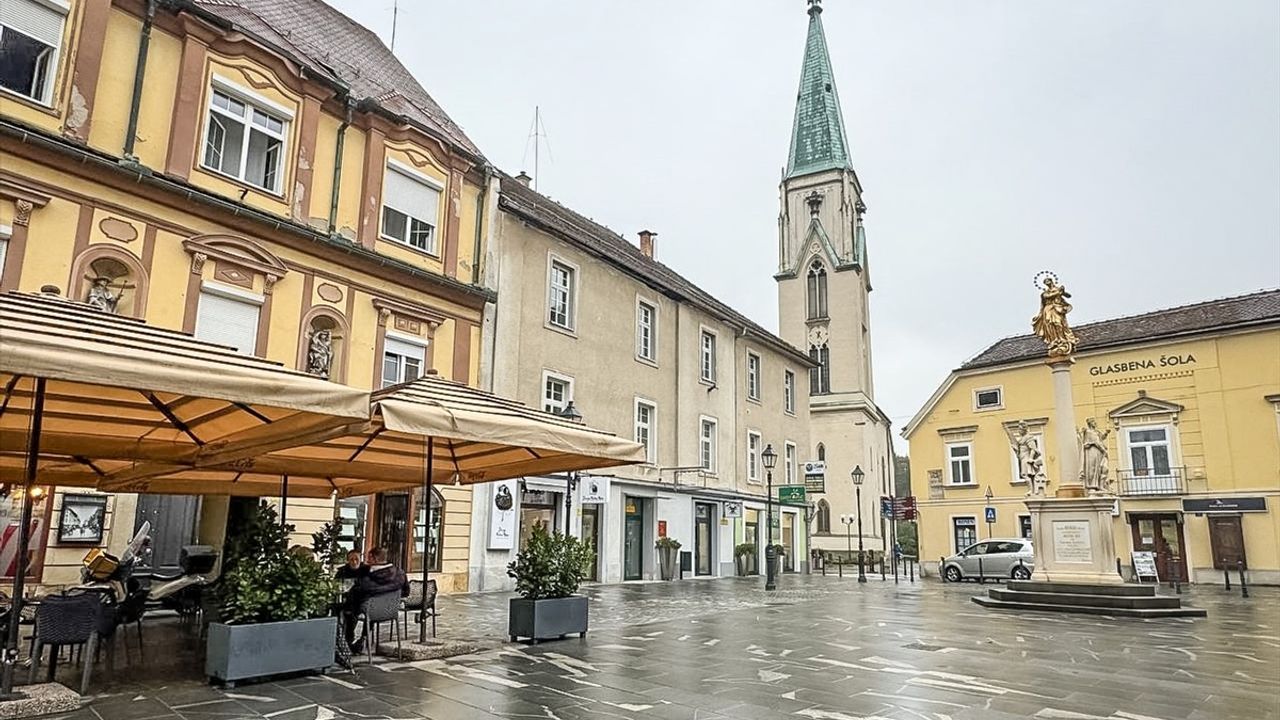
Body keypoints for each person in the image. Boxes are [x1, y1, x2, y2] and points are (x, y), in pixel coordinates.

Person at [342, 547, 408, 652]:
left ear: (374, 559)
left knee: (350, 610)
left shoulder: (368, 577)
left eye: (368, 557)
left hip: (371, 610)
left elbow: (355, 592)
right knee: (370, 605)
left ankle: (348, 641)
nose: (366, 560)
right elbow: (406, 592)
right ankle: (363, 638)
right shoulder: (400, 573)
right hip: (391, 610)